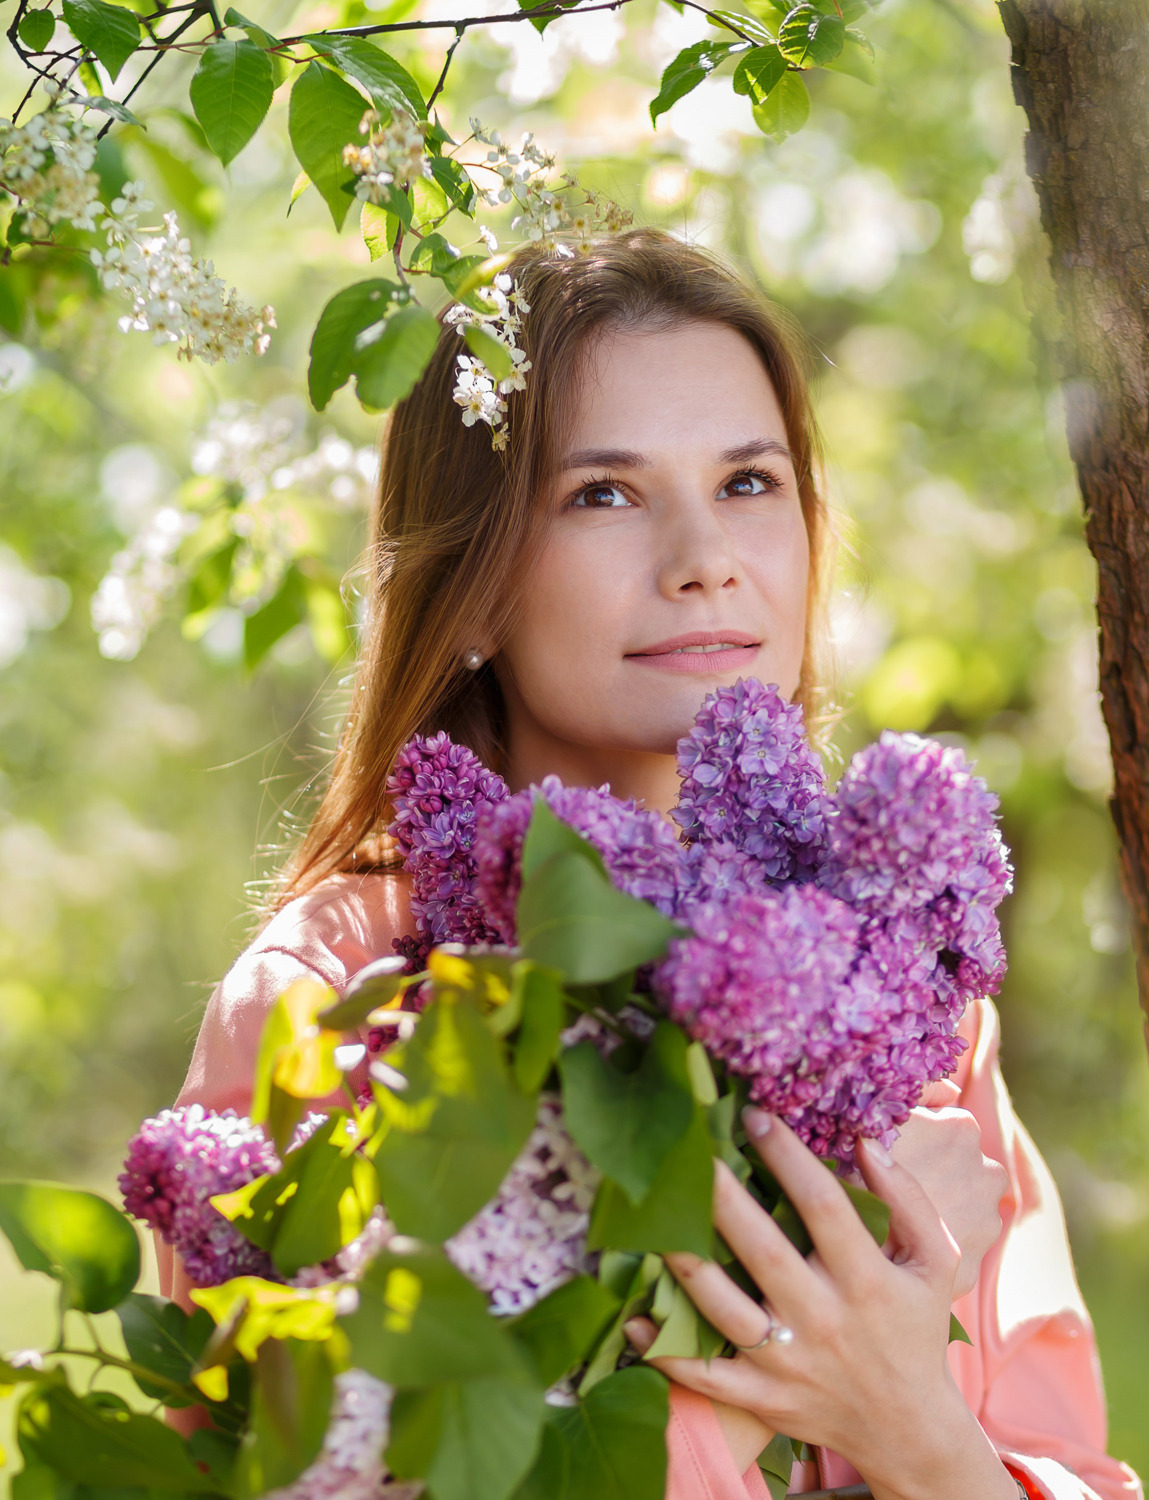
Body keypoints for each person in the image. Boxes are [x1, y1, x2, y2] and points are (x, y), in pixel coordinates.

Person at [158, 229, 1142, 1500]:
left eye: (749, 482)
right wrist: (747, 1389)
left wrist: (920, 1437)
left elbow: (1076, 1468)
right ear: (467, 589)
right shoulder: (336, 996)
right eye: (603, 494)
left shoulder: (912, 1006)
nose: (704, 557)